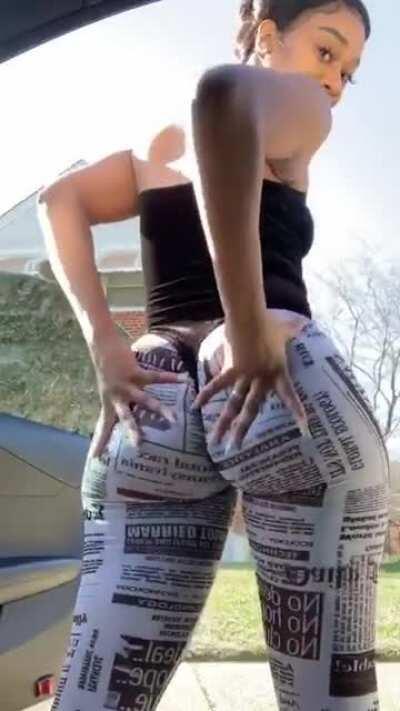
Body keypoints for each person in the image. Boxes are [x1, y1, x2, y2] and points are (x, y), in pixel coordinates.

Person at [38, 1, 390, 709]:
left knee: (99, 693)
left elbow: (59, 199)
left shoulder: (157, 145)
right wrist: (248, 322)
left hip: (156, 391)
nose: (333, 82)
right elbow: (225, 95)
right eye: (326, 51)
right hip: (274, 380)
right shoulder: (301, 111)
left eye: (349, 72)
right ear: (268, 34)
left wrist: (107, 343)